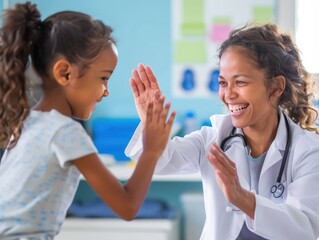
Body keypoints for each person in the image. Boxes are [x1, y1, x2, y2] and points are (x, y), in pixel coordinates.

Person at [125, 23, 319, 239]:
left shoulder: (308, 151)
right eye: (223, 82)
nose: (228, 94)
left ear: (276, 87)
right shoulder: (213, 139)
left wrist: (244, 200)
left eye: (240, 82)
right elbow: (159, 164)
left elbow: (307, 230)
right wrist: (149, 124)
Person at [0, 2, 176, 239]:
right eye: (103, 78)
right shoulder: (64, 132)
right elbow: (128, 206)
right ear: (65, 73)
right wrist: (152, 149)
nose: (106, 91)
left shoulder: (27, 122)